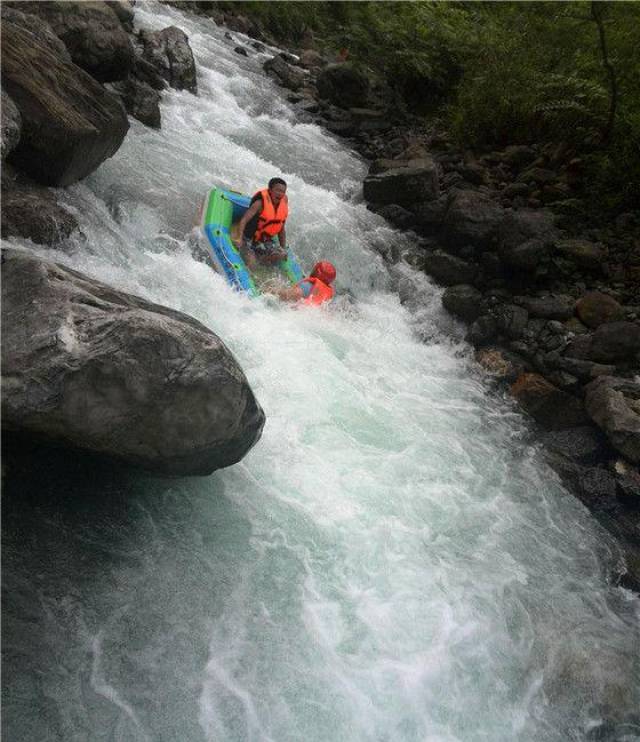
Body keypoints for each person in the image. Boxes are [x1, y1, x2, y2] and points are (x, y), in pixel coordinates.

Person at [234, 178, 289, 270]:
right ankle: (253, 259)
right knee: (252, 265)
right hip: (249, 238)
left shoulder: (283, 203)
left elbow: (281, 228)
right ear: (270, 190)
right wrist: (239, 238)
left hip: (265, 240)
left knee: (281, 255)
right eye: (278, 190)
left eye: (283, 191)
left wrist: (283, 248)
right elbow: (244, 220)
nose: (280, 194)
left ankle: (260, 259)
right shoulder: (259, 204)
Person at [265, 261, 336, 305]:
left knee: (273, 283)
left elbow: (290, 295)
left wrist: (272, 291)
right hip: (308, 317)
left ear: (317, 272)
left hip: (297, 313)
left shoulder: (307, 286)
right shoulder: (328, 294)